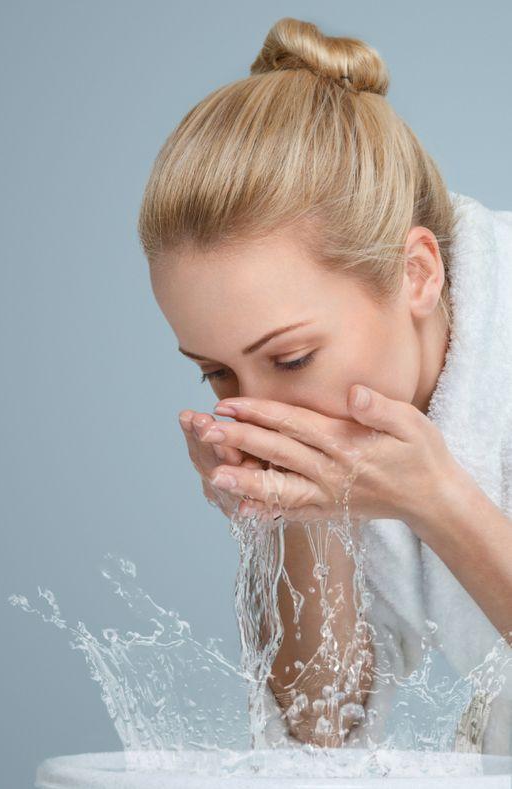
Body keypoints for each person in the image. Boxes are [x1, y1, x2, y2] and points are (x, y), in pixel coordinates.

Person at [137, 17, 512, 753]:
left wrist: (438, 501)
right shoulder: (360, 434)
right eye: (217, 372)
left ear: (417, 274)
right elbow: (319, 732)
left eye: (292, 358)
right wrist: (293, 510)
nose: (258, 412)